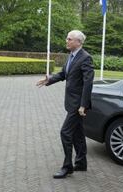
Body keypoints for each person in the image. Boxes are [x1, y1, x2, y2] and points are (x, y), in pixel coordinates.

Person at [36, 30, 94, 179]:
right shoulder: (71, 56)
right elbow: (63, 74)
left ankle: (68, 166)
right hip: (71, 102)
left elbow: (88, 83)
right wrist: (49, 80)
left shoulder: (86, 58)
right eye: (67, 38)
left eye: (69, 39)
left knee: (65, 132)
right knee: (78, 133)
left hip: (77, 105)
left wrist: (83, 105)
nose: (66, 41)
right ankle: (81, 163)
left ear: (78, 42)